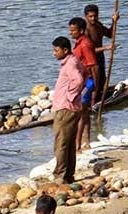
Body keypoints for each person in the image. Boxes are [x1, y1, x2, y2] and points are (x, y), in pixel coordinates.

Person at [50, 36, 85, 184]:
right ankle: (68, 175)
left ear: (65, 50)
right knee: (69, 143)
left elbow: (79, 80)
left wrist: (70, 96)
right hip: (72, 107)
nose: (54, 53)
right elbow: (85, 72)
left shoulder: (70, 64)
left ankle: (60, 175)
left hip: (66, 108)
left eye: (56, 50)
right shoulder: (74, 60)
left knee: (61, 143)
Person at [68, 17, 99, 152]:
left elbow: (94, 66)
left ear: (81, 30)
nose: (71, 33)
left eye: (73, 30)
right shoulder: (79, 43)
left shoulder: (85, 45)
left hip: (87, 81)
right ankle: (87, 141)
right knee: (85, 113)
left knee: (80, 113)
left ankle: (77, 145)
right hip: (84, 80)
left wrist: (95, 87)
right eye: (70, 30)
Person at [84, 4, 120, 103]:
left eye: (95, 16)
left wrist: (114, 22)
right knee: (94, 84)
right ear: (85, 17)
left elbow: (110, 34)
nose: (93, 18)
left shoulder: (98, 25)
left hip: (100, 57)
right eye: (90, 16)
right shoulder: (85, 31)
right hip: (90, 60)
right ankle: (91, 104)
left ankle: (100, 102)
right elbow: (90, 50)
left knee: (102, 81)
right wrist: (107, 47)